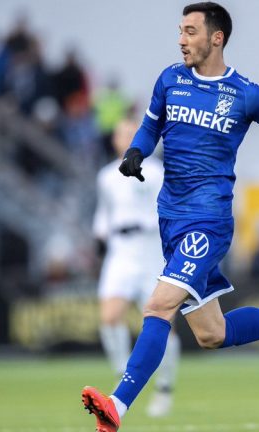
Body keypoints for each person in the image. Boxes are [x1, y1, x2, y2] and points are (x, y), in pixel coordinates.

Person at [81, 3, 259, 431]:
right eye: (180, 31)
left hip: (207, 222)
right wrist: (136, 151)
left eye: (190, 31)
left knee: (158, 306)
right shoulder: (170, 80)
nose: (181, 40)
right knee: (213, 334)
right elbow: (151, 127)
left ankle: (117, 405)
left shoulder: (247, 94)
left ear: (216, 37)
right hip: (171, 221)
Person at [92, 118, 180, 417]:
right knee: (110, 317)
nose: (127, 138)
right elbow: (104, 212)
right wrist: (100, 235)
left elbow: (168, 208)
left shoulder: (156, 171)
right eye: (122, 134)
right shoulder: (106, 176)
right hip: (120, 252)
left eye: (133, 133)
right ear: (114, 139)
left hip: (150, 251)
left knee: (161, 323)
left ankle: (164, 387)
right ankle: (123, 377)